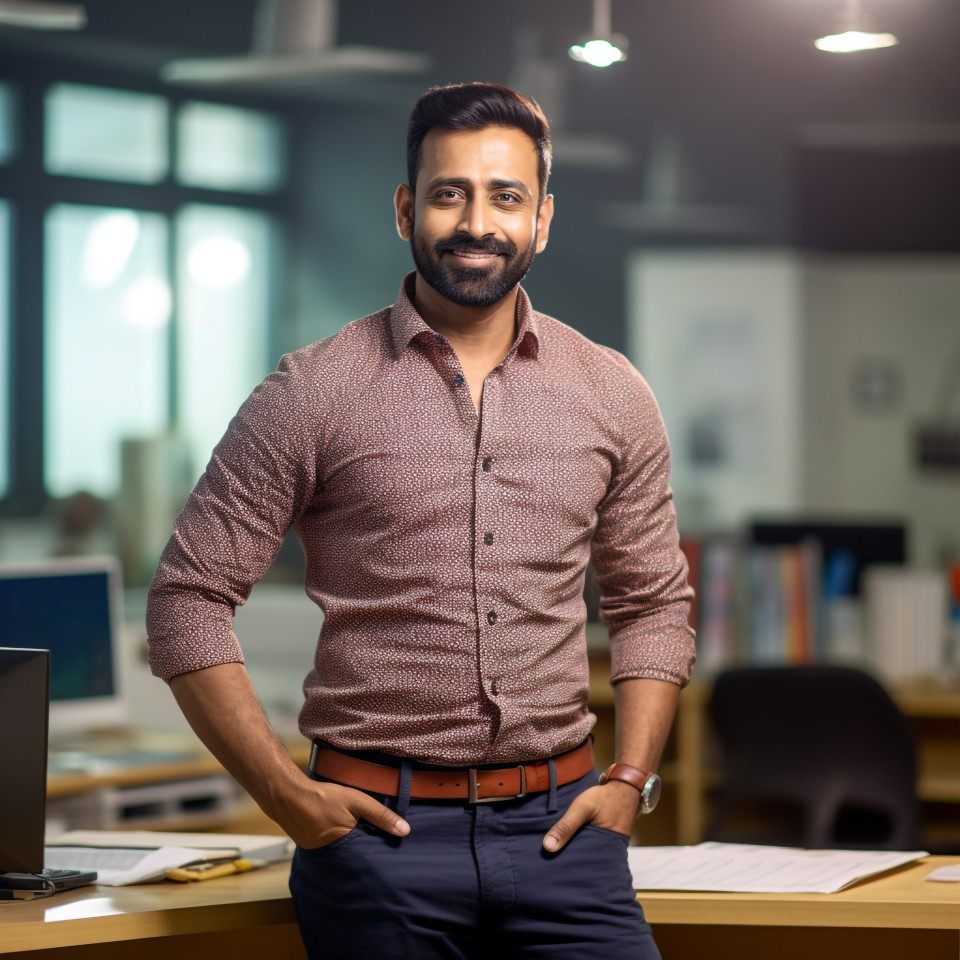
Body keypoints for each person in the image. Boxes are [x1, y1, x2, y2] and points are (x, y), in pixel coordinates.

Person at [146, 81, 695, 959]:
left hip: (568, 840)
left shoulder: (612, 393)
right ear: (407, 209)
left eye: (505, 196)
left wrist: (632, 777)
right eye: (450, 193)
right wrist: (284, 793)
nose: (477, 221)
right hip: (376, 846)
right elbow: (186, 600)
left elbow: (651, 604)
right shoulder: (312, 391)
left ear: (542, 220)